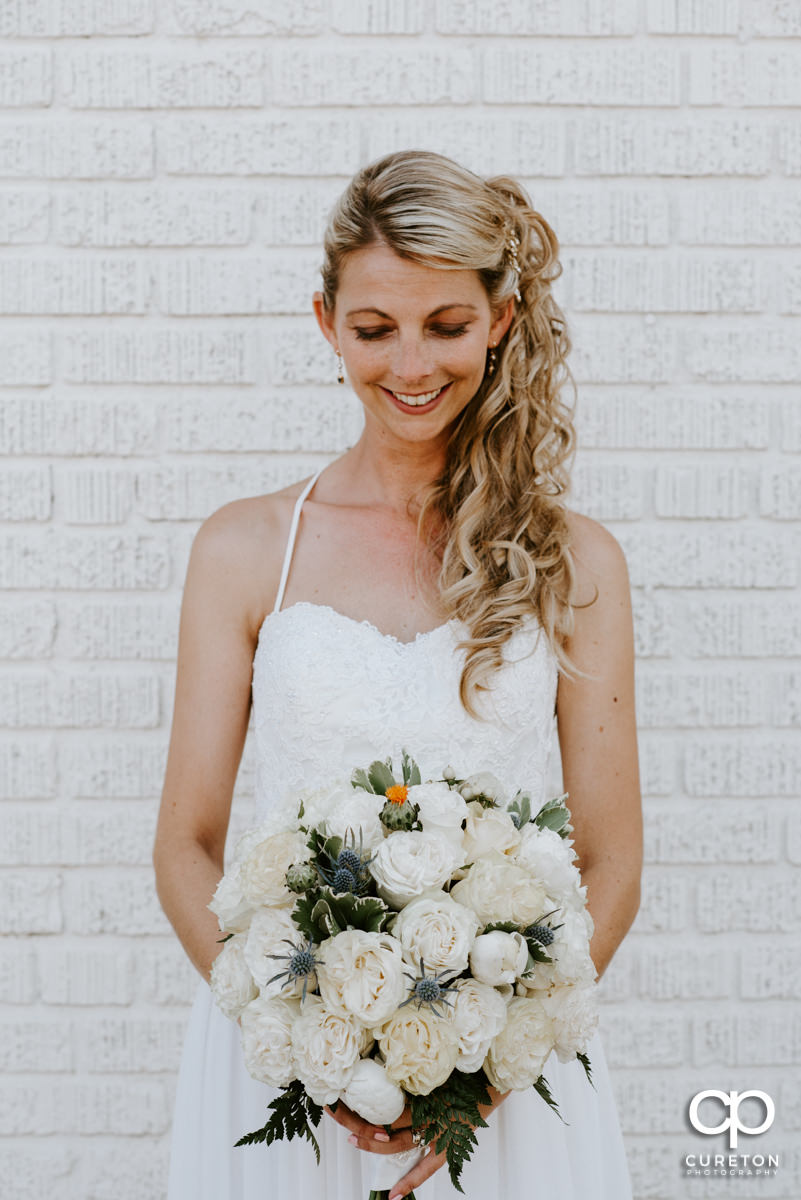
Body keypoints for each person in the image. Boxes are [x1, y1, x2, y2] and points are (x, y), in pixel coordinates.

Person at [153, 148, 642, 1199]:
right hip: (283, 1076)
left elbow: (612, 856)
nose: (411, 364)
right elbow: (186, 844)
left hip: (506, 1086)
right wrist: (302, 1036)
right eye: (375, 329)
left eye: (447, 326)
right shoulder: (243, 550)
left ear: (501, 319)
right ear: (326, 323)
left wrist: (487, 1064)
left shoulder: (577, 563)